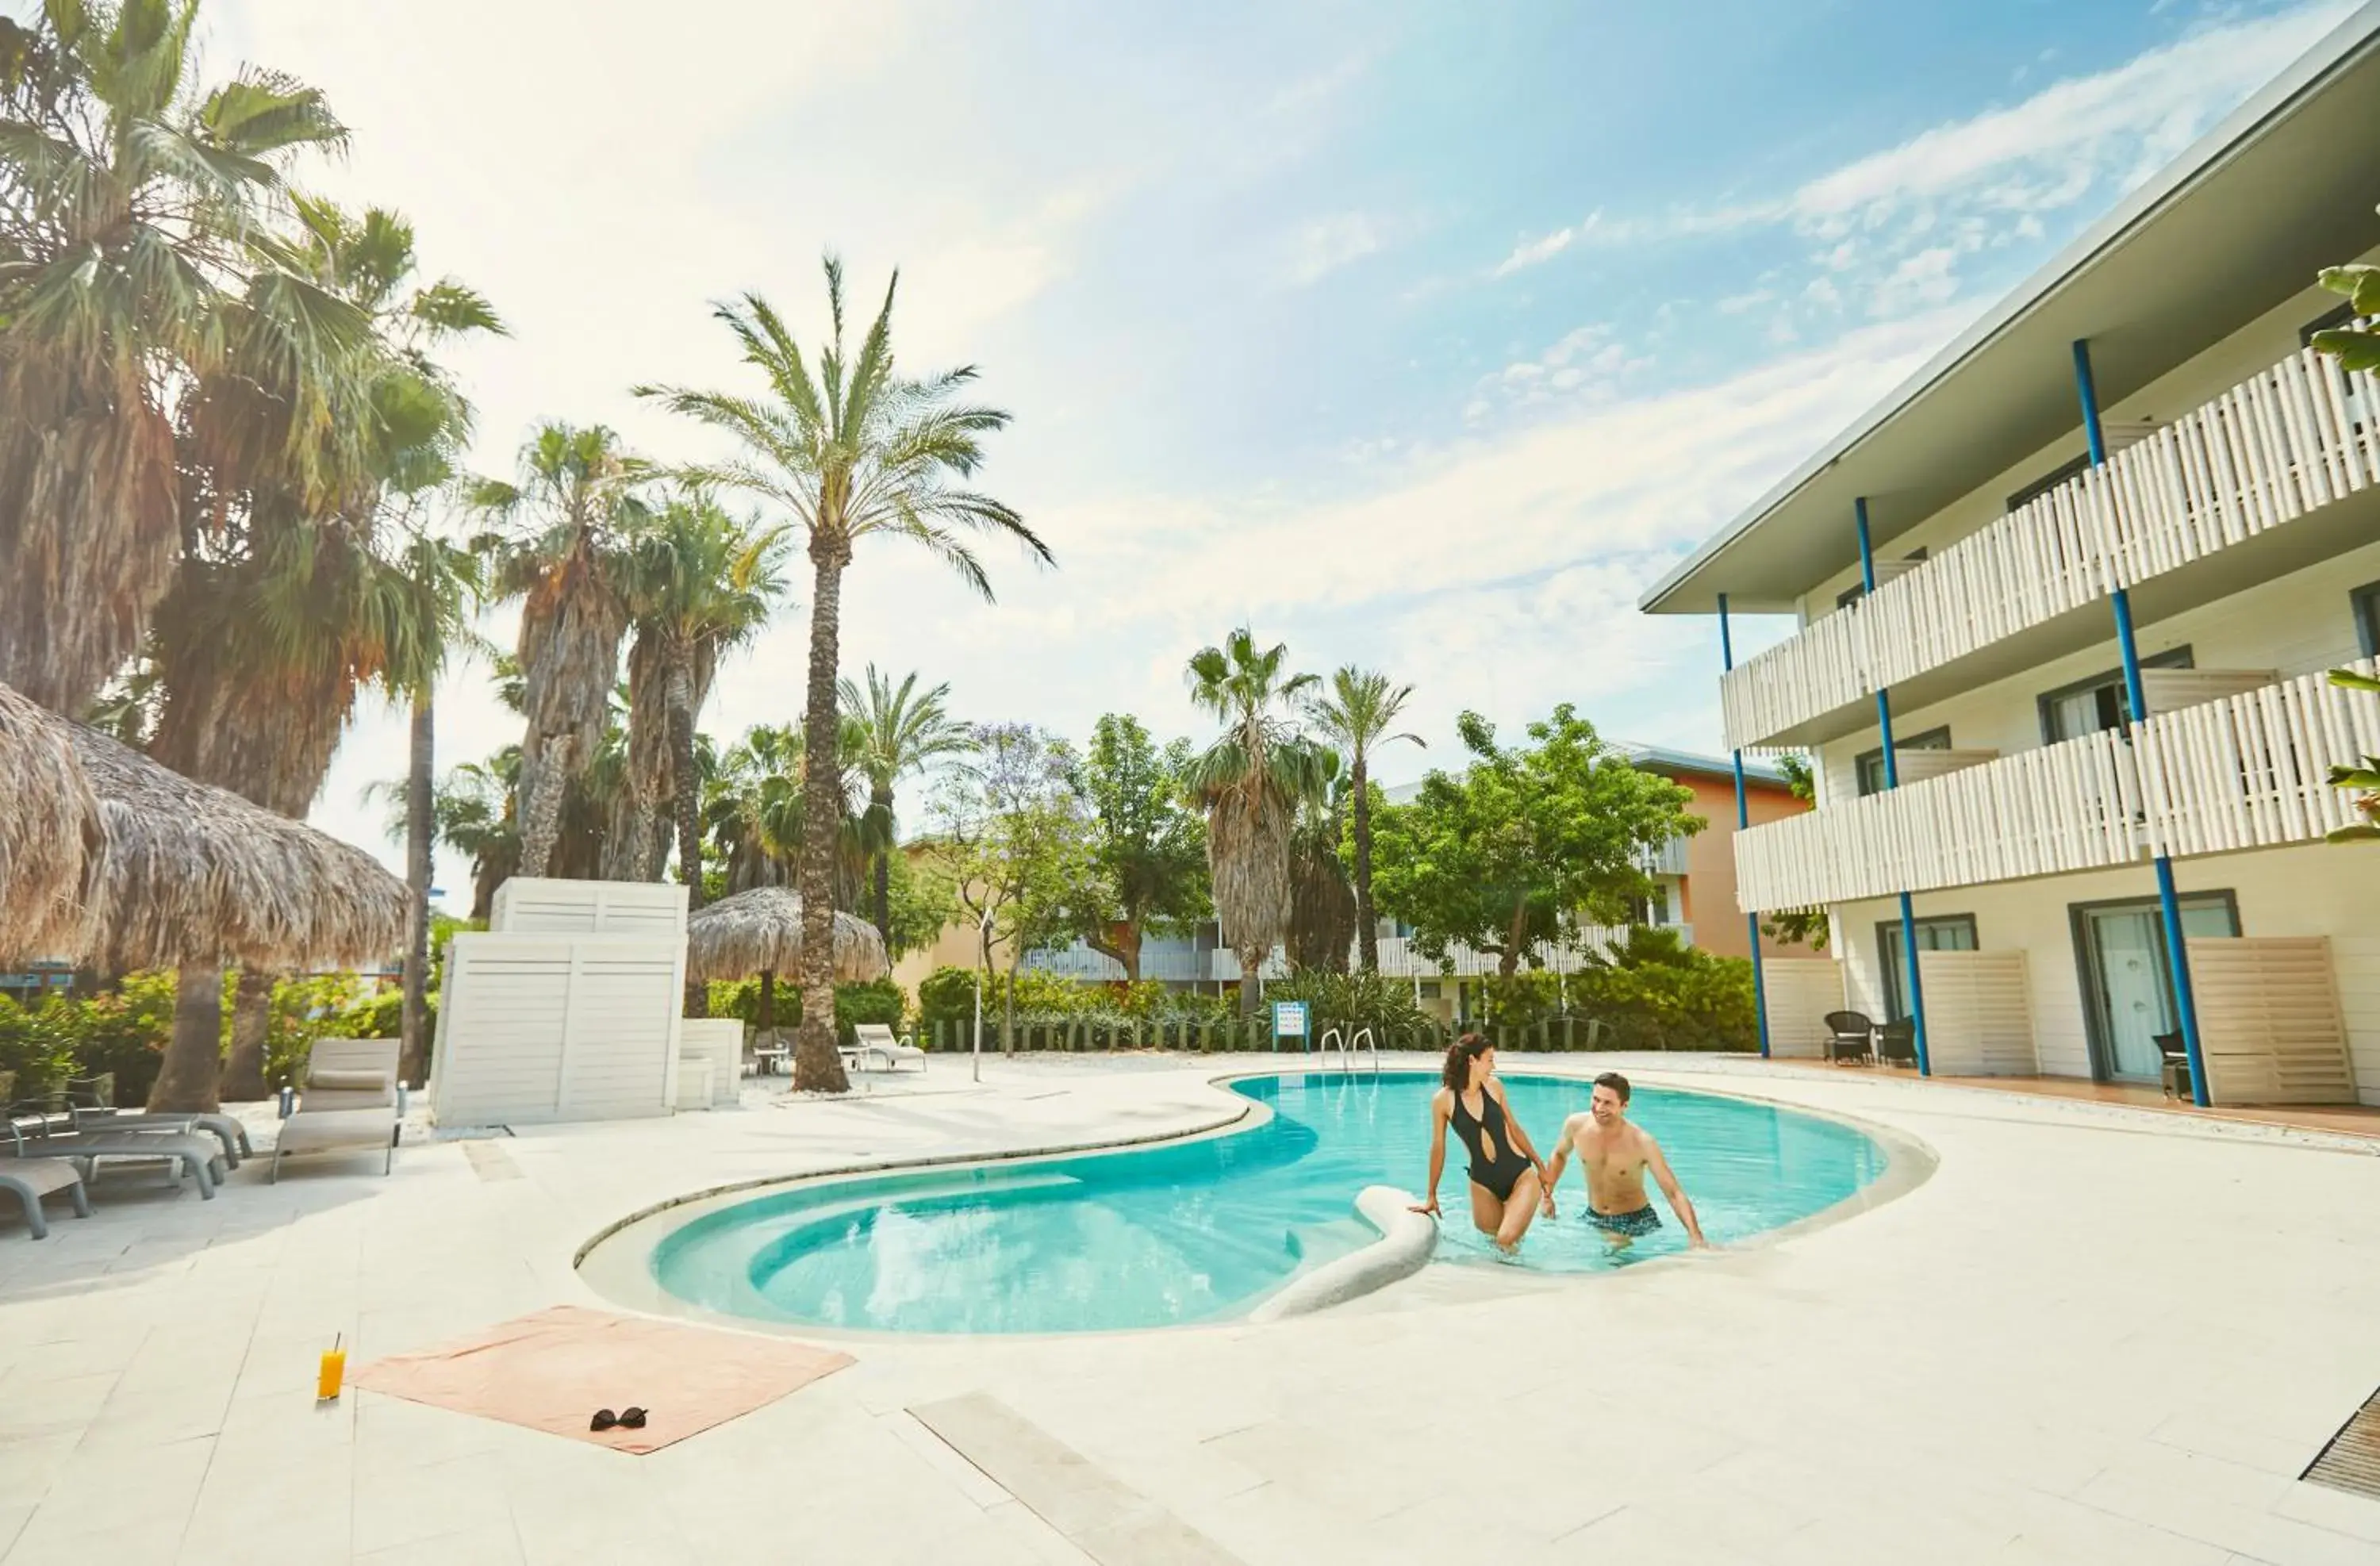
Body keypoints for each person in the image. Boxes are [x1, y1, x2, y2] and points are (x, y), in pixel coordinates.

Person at [1410, 1034, 1554, 1253]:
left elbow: (1515, 1128)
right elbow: (1438, 1147)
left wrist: (1541, 1167)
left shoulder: (1494, 1087)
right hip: (1483, 1184)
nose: (1493, 1066)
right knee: (1492, 1246)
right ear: (1471, 1061)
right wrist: (1432, 1195)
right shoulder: (1443, 1100)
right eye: (1489, 1059)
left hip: (1519, 1176)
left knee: (1505, 1240)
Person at [1543, 1072, 1707, 1249]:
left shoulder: (1642, 1142)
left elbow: (1673, 1192)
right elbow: (1559, 1155)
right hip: (1593, 1216)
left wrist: (1695, 1236)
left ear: (1624, 1106)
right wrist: (1547, 1195)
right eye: (1596, 1099)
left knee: (1614, 1252)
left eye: (1607, 1103)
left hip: (1635, 1220)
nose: (1599, 1108)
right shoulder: (1576, 1126)